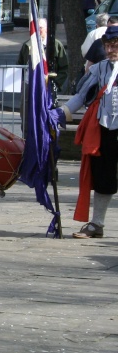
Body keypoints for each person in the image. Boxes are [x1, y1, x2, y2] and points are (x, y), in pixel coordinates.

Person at [55, 25, 118, 239]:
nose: (110, 50)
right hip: (106, 129)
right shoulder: (99, 69)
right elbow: (81, 96)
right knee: (103, 177)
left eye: (115, 46)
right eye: (108, 46)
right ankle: (97, 224)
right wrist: (61, 113)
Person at [18, 18, 69, 94]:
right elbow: (19, 65)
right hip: (29, 85)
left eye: (40, 27)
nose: (38, 30)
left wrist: (55, 84)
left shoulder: (56, 45)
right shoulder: (27, 46)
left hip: (48, 87)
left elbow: (64, 68)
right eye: (36, 28)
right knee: (26, 105)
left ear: (46, 29)